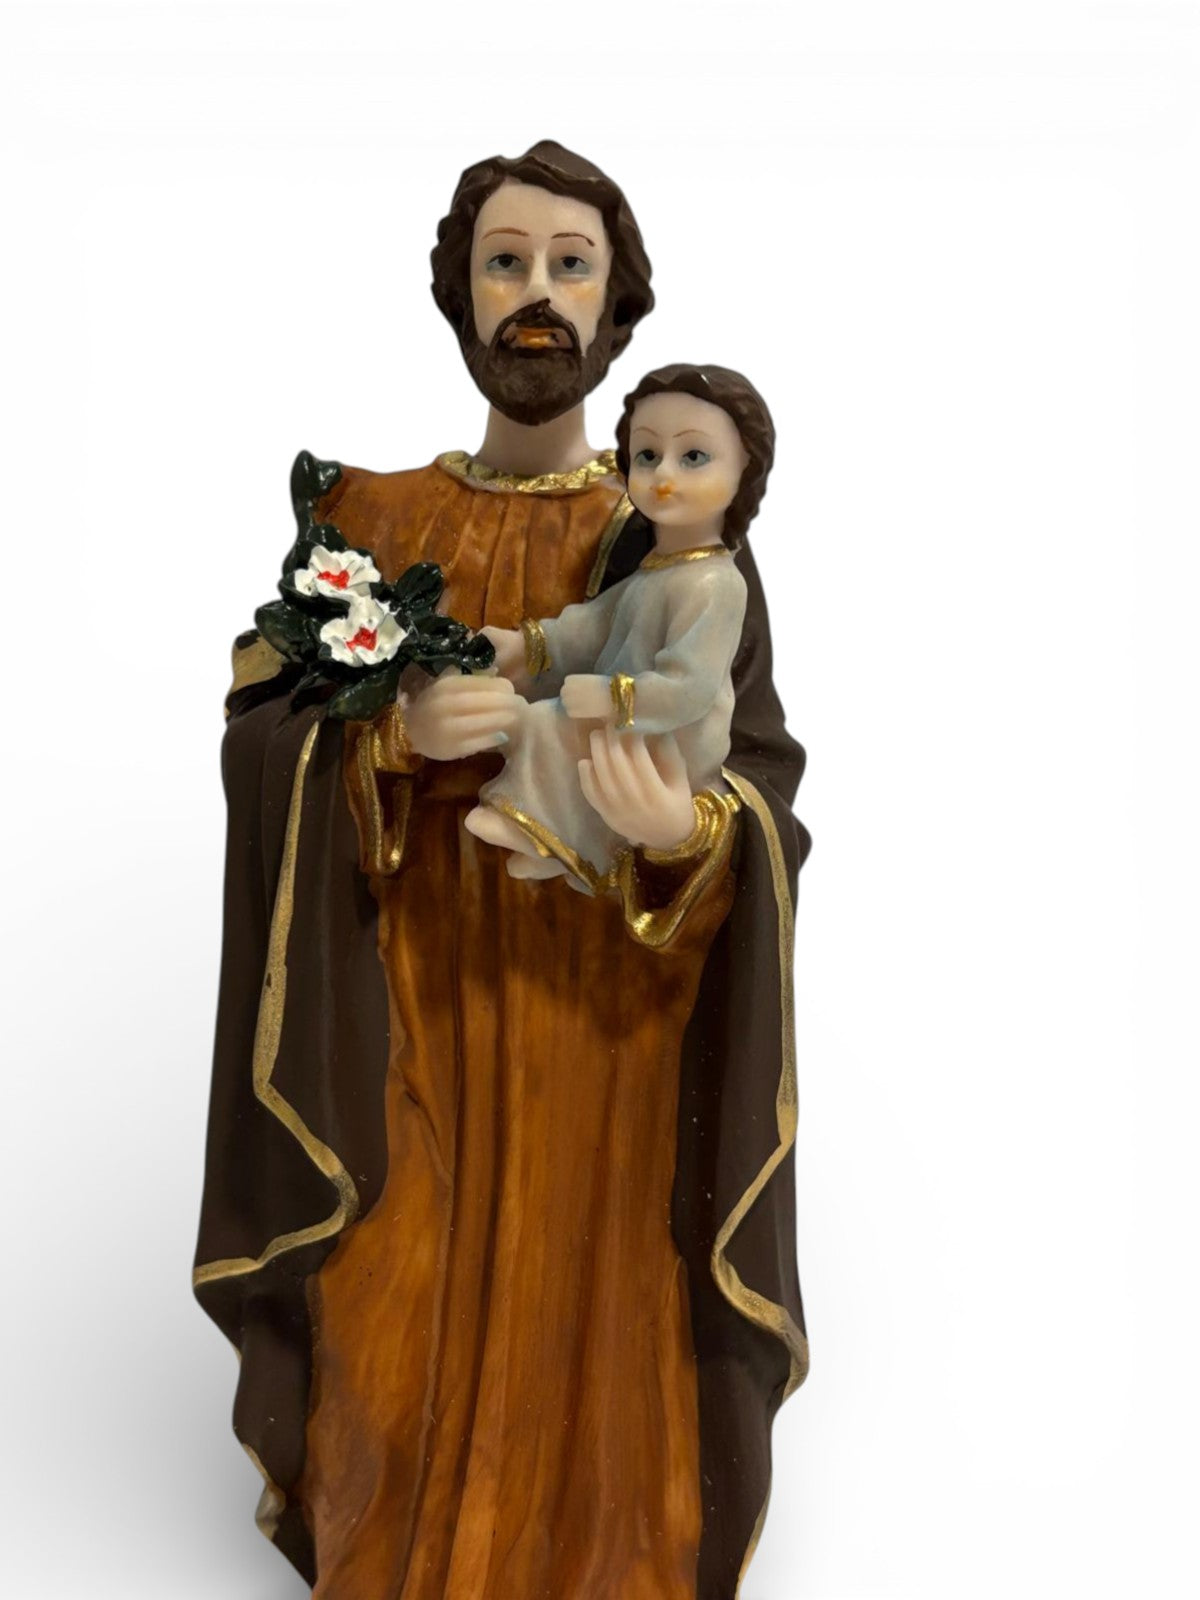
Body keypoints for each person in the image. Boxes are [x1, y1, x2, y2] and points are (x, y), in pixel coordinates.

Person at [194, 140, 810, 1600]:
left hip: (606, 1039)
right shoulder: (366, 523)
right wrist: (383, 742)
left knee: (601, 1380)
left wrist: (687, 835)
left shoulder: (679, 543)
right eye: (507, 261)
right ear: (460, 293)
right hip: (400, 1020)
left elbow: (760, 784)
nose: (538, 292)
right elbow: (256, 734)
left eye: (571, 265)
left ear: (618, 304)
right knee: (392, 1332)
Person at [467, 364, 772, 894]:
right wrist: (529, 645)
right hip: (627, 720)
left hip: (671, 735)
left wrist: (617, 698)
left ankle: (554, 840)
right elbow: (593, 625)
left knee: (551, 724)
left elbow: (691, 687)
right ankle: (559, 846)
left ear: (745, 467)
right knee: (545, 723)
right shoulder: (657, 570)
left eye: (693, 456)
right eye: (648, 455)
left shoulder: (716, 583)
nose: (664, 474)